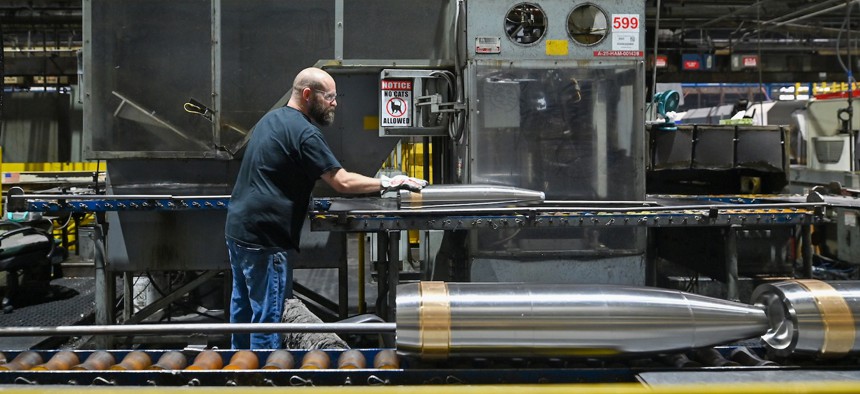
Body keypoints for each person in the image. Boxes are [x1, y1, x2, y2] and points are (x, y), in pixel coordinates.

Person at [225, 67, 428, 349]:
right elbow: (341, 182)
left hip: (239, 230)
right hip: (267, 238)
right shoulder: (305, 133)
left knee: (244, 309)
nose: (335, 103)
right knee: (267, 318)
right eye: (330, 96)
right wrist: (389, 183)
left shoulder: (271, 119)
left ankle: (236, 371)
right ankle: (263, 377)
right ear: (308, 95)